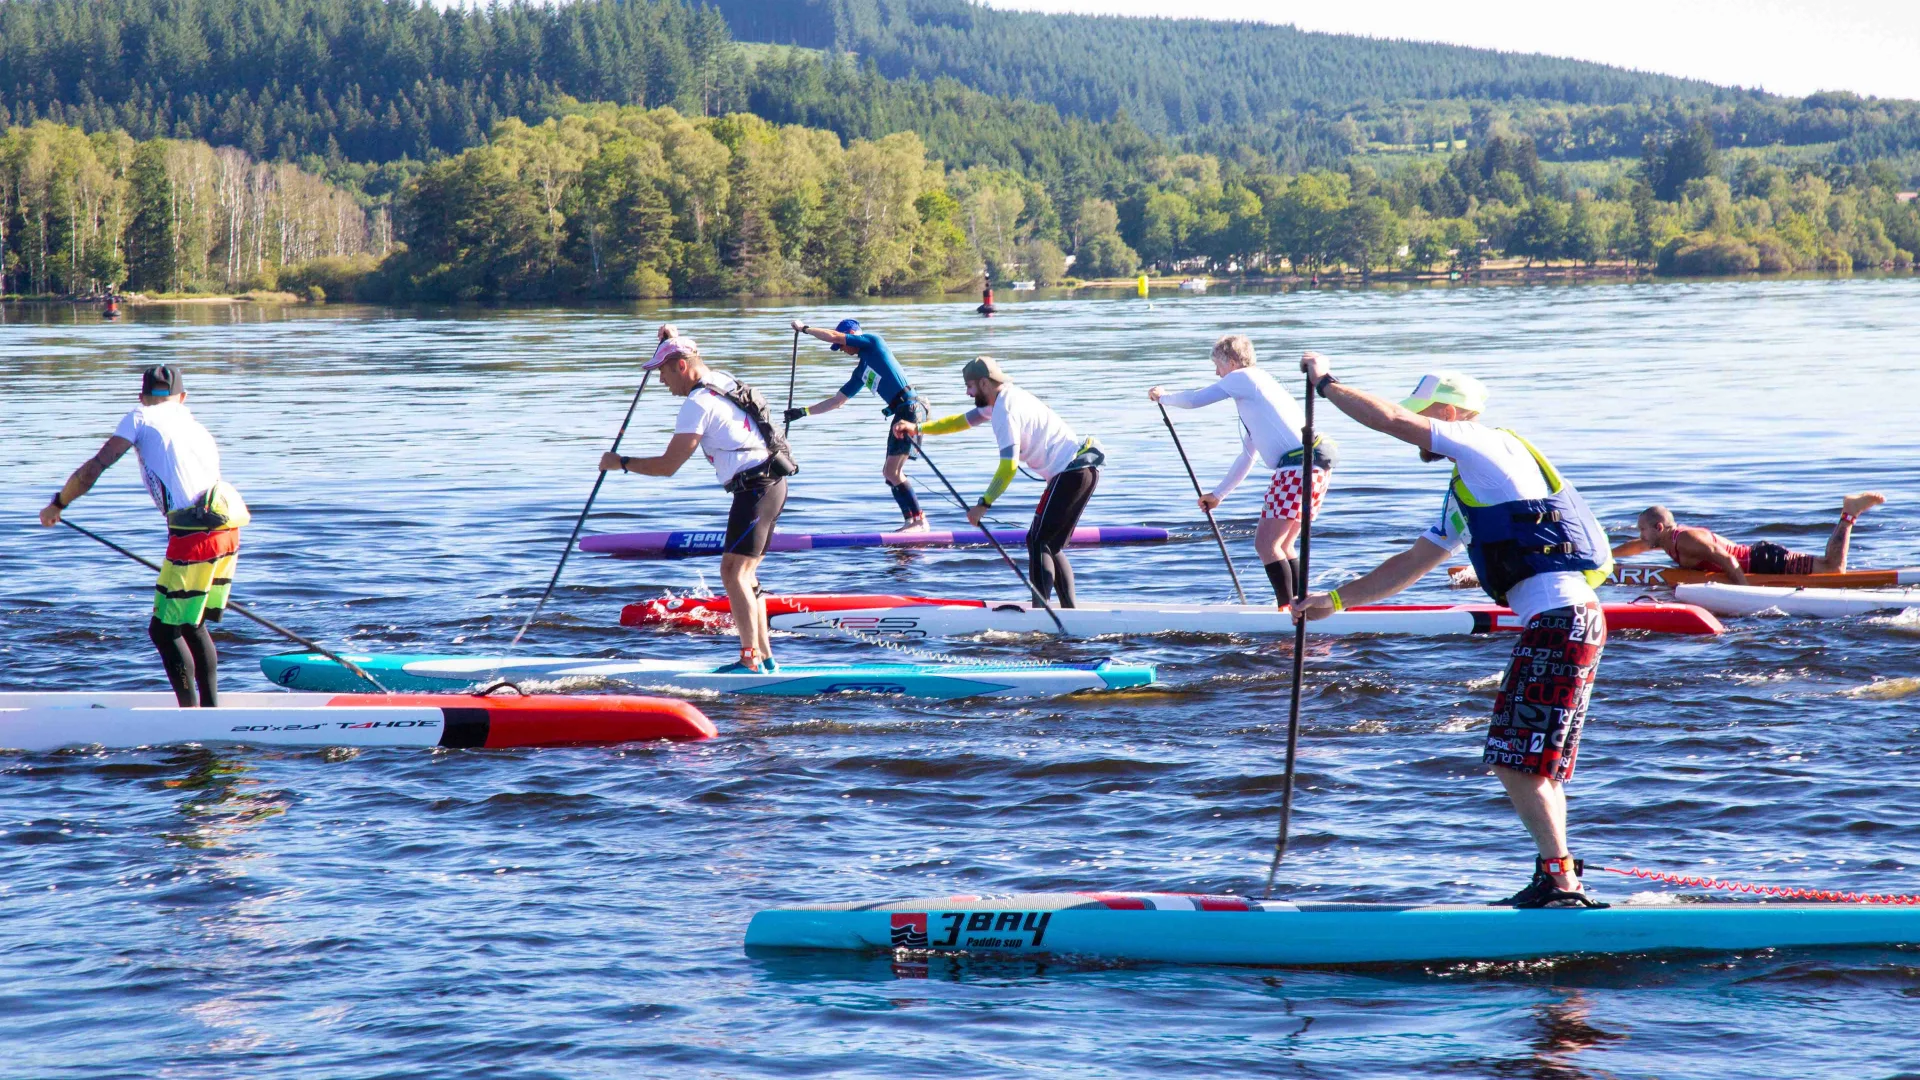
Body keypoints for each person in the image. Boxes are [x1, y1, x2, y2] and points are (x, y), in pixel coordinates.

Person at [1291, 357, 1614, 909]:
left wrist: (1325, 383)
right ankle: (1558, 880)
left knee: (1515, 760)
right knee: (1534, 764)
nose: (1419, 425)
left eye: (1427, 413)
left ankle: (1561, 884)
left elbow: (1391, 420)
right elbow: (1411, 564)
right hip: (1564, 622)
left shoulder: (1484, 445)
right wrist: (1335, 601)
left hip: (1562, 620)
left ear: (1451, 412)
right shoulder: (1466, 490)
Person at [39, 365, 250, 707]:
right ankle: (211, 711)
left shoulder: (140, 416)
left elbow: (94, 468)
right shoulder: (196, 427)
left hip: (194, 538)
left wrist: (58, 503)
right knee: (192, 624)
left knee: (164, 630)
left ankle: (191, 718)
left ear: (142, 396)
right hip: (227, 531)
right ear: (183, 397)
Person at [602, 335, 793, 672]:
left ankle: (749, 661)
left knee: (734, 573)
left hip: (756, 489)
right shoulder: (721, 379)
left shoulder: (697, 404)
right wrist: (672, 338)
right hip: (771, 485)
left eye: (662, 372)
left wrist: (621, 463)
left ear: (681, 366)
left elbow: (668, 466)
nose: (661, 380)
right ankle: (766, 660)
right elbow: (689, 354)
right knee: (744, 575)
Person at [891, 357, 1104, 608]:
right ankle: (1068, 613)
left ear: (984, 383)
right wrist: (917, 428)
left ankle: (1042, 614)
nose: (968, 393)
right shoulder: (1004, 399)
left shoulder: (1005, 411)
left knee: (1039, 542)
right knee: (1047, 544)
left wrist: (983, 504)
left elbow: (1008, 467)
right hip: (1080, 471)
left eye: (970, 386)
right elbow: (959, 422)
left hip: (1072, 472)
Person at [1149, 334, 1339, 607]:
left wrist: (1163, 397)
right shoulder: (1257, 393)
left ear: (1231, 361)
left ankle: (1290, 611)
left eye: (1217, 365)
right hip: (1312, 464)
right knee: (1283, 546)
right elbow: (1248, 456)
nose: (1217, 373)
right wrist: (1218, 495)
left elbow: (1194, 400)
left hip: (1298, 466)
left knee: (1266, 545)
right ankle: (1302, 607)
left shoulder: (1243, 377)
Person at [784, 317, 929, 532]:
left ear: (851, 336)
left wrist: (805, 329)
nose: (842, 350)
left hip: (911, 408)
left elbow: (833, 336)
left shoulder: (873, 343)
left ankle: (919, 522)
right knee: (889, 473)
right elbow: (837, 401)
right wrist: (802, 412)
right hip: (901, 412)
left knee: (893, 472)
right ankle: (911, 522)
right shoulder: (861, 371)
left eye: (842, 346)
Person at [1612, 497, 1885, 584]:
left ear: (1659, 527)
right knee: (1831, 570)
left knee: (1833, 571)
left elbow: (1728, 560)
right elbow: (1635, 547)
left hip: (1763, 561)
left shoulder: (1686, 539)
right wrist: (1607, 558)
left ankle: (1849, 514)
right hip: (1757, 561)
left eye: (1643, 530)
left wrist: (1743, 594)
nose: (1641, 535)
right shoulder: (1661, 540)